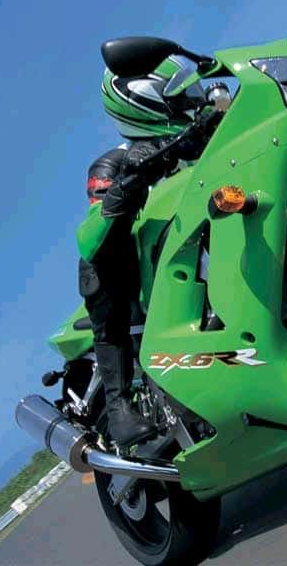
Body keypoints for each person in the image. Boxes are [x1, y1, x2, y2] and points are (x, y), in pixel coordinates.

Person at [75, 55, 202, 446]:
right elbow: (89, 236)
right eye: (180, 97)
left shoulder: (200, 136)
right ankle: (119, 407)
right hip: (141, 272)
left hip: (197, 244)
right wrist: (127, 184)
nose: (191, 102)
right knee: (101, 261)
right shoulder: (113, 163)